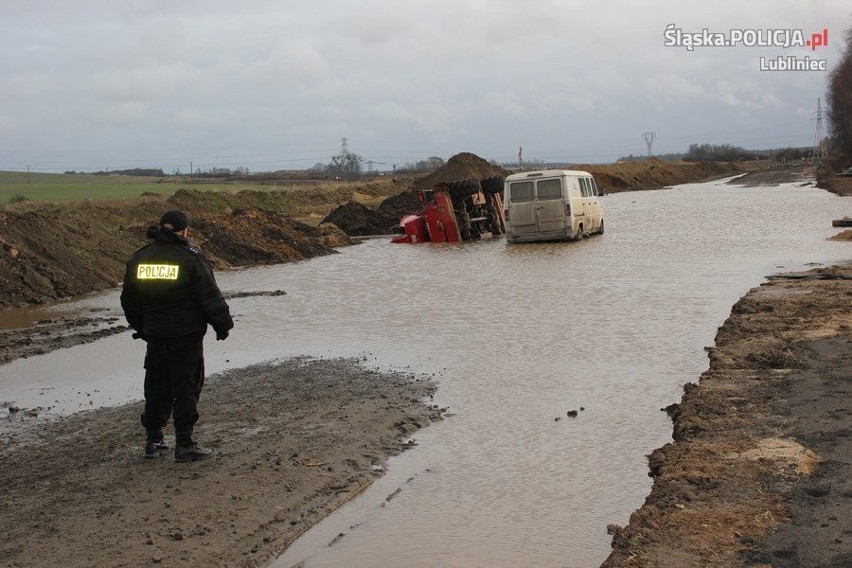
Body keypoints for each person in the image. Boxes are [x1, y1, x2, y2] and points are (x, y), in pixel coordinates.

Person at [120, 210, 233, 462]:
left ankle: (153, 440)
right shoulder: (190, 258)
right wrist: (223, 326)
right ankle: (185, 443)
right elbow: (210, 297)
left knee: (156, 385)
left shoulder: (139, 259)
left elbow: (128, 300)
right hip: (185, 335)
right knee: (186, 385)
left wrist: (142, 326)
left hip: (155, 335)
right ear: (184, 231)